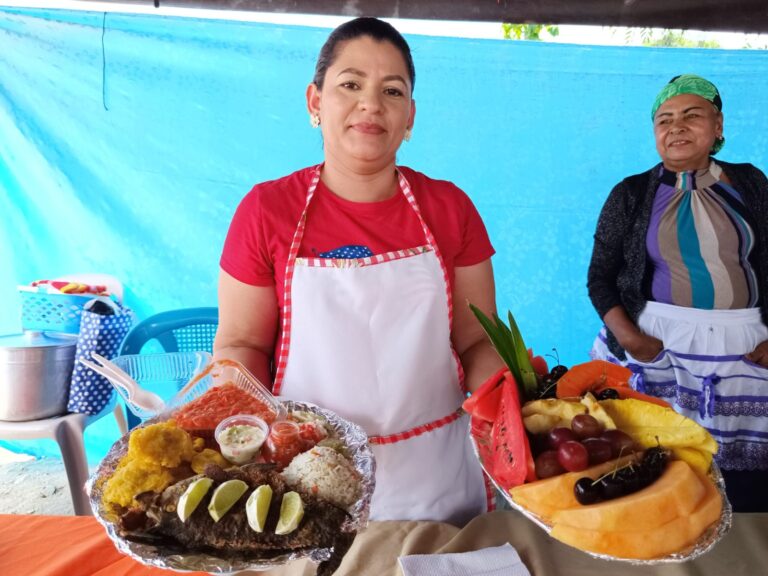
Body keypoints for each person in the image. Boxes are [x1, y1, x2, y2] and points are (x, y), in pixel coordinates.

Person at [214, 17, 503, 525]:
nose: (371, 103)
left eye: (392, 90)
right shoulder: (266, 211)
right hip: (307, 477)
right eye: (350, 84)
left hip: (436, 477)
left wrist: (506, 404)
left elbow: (478, 339)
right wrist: (252, 438)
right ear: (315, 102)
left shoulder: (450, 207)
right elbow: (242, 344)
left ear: (409, 116)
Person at [588, 74, 768, 512]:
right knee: (656, 465)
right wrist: (630, 339)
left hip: (744, 349)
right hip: (659, 349)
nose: (676, 127)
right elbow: (600, 277)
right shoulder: (631, 194)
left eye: (692, 115)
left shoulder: (751, 183)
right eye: (664, 120)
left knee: (744, 483)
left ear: (718, 125)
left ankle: (744, 543)